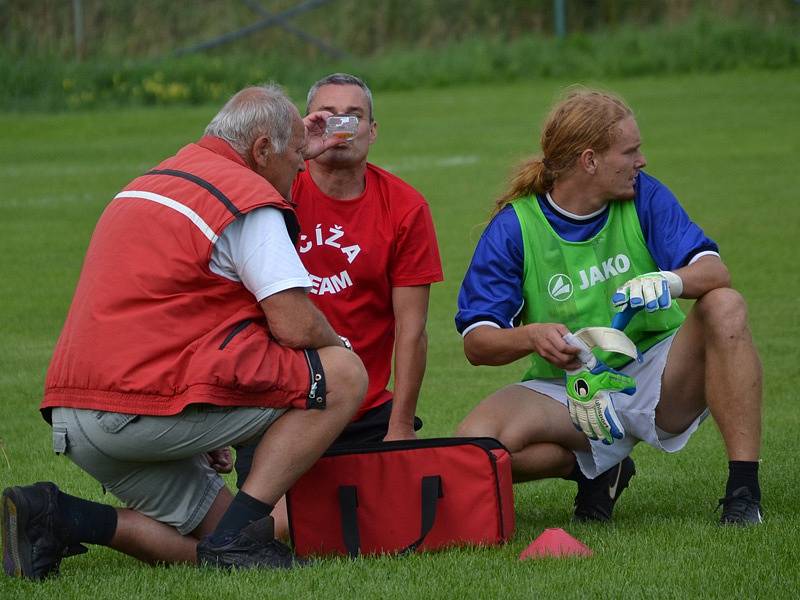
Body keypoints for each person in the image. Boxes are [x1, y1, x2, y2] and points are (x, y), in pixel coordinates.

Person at [1, 84, 369, 581]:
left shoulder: (154, 180)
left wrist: (203, 418)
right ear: (262, 151)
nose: (303, 168)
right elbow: (294, 323)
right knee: (342, 373)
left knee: (224, 537)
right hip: (134, 409)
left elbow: (167, 319)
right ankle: (239, 539)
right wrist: (339, 347)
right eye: (298, 156)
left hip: (76, 416)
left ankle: (58, 515)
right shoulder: (247, 196)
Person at [455, 88, 763, 525]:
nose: (642, 161)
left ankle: (744, 491)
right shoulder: (515, 227)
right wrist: (532, 336)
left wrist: (669, 281)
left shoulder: (644, 195)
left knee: (726, 306)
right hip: (571, 388)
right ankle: (597, 470)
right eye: (631, 150)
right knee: (472, 448)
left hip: (659, 376)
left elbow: (715, 273)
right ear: (589, 160)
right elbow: (477, 342)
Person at [234, 74, 443, 535]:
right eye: (325, 117)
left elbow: (412, 331)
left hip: (365, 412)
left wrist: (401, 427)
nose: (340, 127)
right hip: (279, 406)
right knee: (275, 527)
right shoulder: (272, 195)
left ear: (373, 131)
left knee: (398, 519)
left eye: (355, 116)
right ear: (305, 127)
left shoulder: (405, 207)